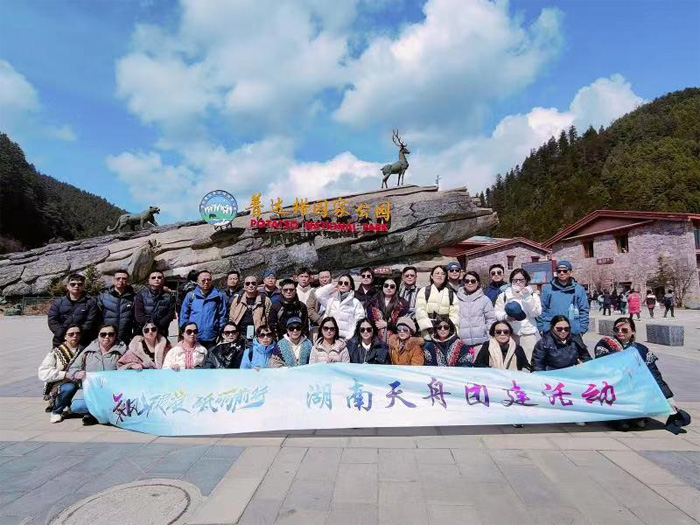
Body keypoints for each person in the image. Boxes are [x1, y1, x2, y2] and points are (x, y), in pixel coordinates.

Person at [594, 317, 679, 431]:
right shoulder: (605, 345)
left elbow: (654, 374)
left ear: (633, 331)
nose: (620, 332)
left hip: (636, 391)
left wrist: (668, 398)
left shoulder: (641, 350)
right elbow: (603, 366)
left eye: (624, 330)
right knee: (623, 426)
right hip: (614, 390)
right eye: (617, 330)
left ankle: (637, 415)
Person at [52, 323, 126, 425]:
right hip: (91, 390)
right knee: (77, 407)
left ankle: (95, 415)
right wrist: (77, 374)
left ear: (115, 336)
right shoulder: (88, 351)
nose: (107, 337)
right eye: (103, 334)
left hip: (112, 391)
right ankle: (92, 413)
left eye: (111, 334)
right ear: (98, 335)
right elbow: (73, 368)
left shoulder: (122, 351)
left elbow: (128, 367)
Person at [494, 268, 542, 361]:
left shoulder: (533, 295)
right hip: (510, 334)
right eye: (515, 280)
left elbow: (536, 313)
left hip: (528, 334)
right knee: (512, 362)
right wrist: (506, 317)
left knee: (529, 361)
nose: (518, 283)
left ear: (526, 281)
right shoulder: (504, 295)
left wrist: (527, 297)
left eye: (521, 280)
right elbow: (497, 312)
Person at [537, 260, 589, 343]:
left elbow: (584, 310)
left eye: (565, 271)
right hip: (551, 330)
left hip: (573, 330)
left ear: (570, 272)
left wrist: (582, 329)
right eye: (559, 271)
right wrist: (542, 327)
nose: (561, 273)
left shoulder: (579, 289)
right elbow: (541, 309)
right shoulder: (547, 289)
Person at [39, 325, 84, 414]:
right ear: (65, 336)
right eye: (71, 334)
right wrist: (65, 375)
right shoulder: (55, 353)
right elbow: (43, 372)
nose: (75, 336)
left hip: (79, 383)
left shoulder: (84, 351)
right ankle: (56, 410)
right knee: (69, 387)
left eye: (78, 333)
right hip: (60, 384)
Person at [179, 270, 228, 349]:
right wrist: (184, 331)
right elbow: (184, 315)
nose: (206, 282)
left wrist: (221, 333)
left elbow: (223, 316)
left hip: (211, 337)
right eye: (203, 280)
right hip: (193, 336)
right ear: (197, 281)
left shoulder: (218, 296)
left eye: (209, 280)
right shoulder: (191, 296)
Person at [47, 274, 99, 347]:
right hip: (61, 339)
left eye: (79, 284)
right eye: (73, 284)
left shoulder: (91, 303)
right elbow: (52, 320)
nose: (76, 286)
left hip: (83, 340)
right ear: (67, 286)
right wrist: (64, 333)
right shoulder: (58, 302)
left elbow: (91, 321)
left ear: (83, 286)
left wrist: (78, 333)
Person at [314, 274, 366, 340]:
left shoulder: (355, 302)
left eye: (346, 283)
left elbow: (359, 321)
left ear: (351, 286)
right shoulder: (332, 300)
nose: (343, 285)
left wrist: (349, 336)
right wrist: (332, 287)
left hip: (346, 339)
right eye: (340, 283)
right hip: (330, 336)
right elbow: (318, 294)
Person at [457, 271, 497, 356]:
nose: (470, 283)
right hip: (462, 344)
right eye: (467, 281)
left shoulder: (485, 300)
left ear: (478, 282)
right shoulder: (457, 299)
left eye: (473, 281)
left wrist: (489, 338)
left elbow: (491, 320)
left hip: (481, 342)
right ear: (464, 283)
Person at [415, 265, 459, 340]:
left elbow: (455, 314)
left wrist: (448, 328)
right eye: (437, 273)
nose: (440, 275)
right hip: (428, 332)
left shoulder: (451, 293)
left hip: (445, 331)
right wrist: (429, 327)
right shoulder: (424, 291)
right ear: (432, 276)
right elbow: (420, 311)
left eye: (443, 274)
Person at [229, 274, 272, 340]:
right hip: (239, 336)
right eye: (248, 283)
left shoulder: (265, 300)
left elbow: (268, 319)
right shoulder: (237, 300)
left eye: (253, 283)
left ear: (257, 285)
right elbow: (231, 318)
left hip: (258, 336)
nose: (250, 285)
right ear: (244, 286)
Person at [134, 270, 176, 337]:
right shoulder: (141, 295)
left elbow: (170, 314)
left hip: (161, 331)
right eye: (153, 278)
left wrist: (159, 324)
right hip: (144, 330)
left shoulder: (169, 297)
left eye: (159, 277)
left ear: (163, 280)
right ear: (149, 280)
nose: (156, 279)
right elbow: (138, 314)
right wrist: (150, 324)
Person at [97, 270, 135, 343]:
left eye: (124, 279)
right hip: (107, 336)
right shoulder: (103, 297)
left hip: (125, 337)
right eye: (118, 278)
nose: (121, 280)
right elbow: (97, 318)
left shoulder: (133, 297)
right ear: (113, 280)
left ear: (128, 281)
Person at [367, 278, 408, 342]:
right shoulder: (374, 301)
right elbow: (369, 318)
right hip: (375, 336)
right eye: (386, 285)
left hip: (395, 337)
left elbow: (403, 321)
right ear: (383, 287)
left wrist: (387, 325)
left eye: (392, 286)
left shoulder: (402, 303)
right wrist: (377, 324)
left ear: (396, 289)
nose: (389, 288)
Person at [307, 269, 332, 334]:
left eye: (327, 277)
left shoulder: (336, 291)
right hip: (317, 323)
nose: (324, 280)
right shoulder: (314, 292)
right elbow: (309, 308)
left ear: (331, 278)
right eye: (322, 278)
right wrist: (319, 320)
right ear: (319, 279)